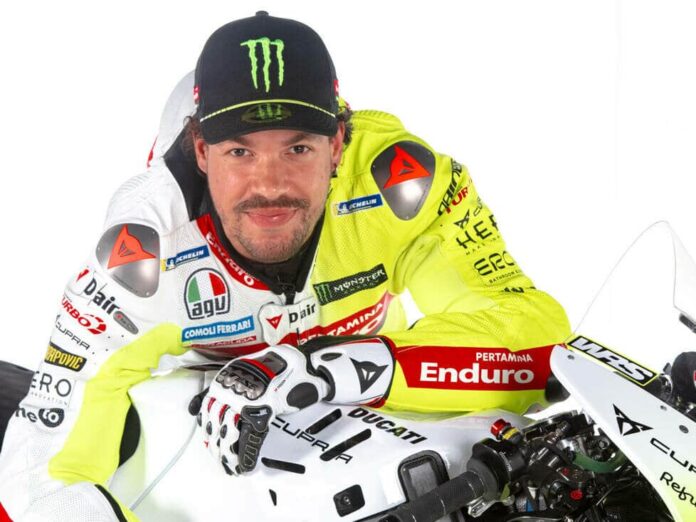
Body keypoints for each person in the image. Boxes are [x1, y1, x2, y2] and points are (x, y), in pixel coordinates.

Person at [0, 11, 570, 521]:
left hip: (368, 408)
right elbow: (41, 467)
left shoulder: (399, 186)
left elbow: (544, 349)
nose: (270, 185)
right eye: (240, 151)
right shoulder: (144, 252)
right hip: (192, 438)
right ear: (199, 151)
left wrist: (328, 367)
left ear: (338, 144)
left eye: (298, 148)